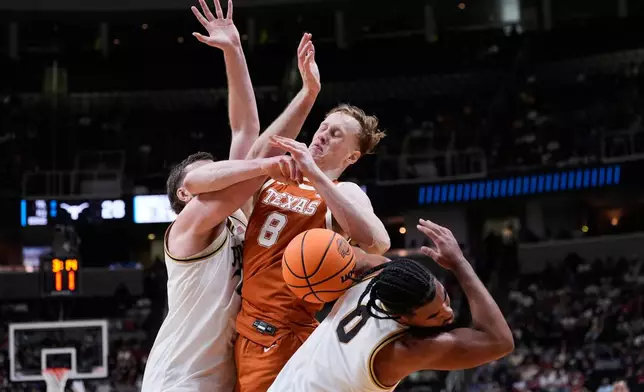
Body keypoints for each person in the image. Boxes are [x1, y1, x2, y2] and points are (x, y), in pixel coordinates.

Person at [140, 1, 301, 390]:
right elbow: (249, 160)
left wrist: (234, 50)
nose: (221, 176)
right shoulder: (187, 228)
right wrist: (265, 167)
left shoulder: (236, 216)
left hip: (225, 381)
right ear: (184, 191)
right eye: (207, 174)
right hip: (178, 380)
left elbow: (246, 129)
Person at [234, 37, 391, 390]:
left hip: (280, 333)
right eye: (324, 126)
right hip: (244, 326)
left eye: (336, 135)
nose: (323, 135)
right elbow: (254, 155)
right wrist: (309, 92)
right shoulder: (279, 174)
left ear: (351, 157)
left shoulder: (343, 192)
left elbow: (377, 242)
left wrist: (316, 174)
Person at [268, 219, 514, 392]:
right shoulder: (400, 351)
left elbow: (353, 250)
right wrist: (460, 264)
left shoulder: (375, 277)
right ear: (403, 318)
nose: (448, 314)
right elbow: (499, 342)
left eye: (446, 299)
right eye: (434, 315)